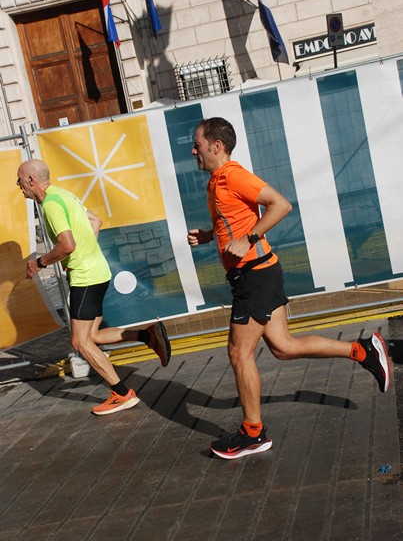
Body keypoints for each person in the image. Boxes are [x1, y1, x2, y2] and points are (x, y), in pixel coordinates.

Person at [187, 117, 390, 460]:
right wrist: (211, 236)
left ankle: (253, 432)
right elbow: (234, 219)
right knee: (283, 346)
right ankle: (363, 351)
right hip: (255, 274)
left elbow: (281, 205)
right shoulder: (216, 181)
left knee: (239, 353)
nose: (194, 150)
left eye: (198, 144)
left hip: (256, 276)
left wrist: (248, 238)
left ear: (216, 146)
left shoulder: (234, 174)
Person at [17, 159, 171, 416]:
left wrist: (40, 263)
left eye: (20, 181)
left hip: (85, 278)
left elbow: (67, 245)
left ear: (31, 180)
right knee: (93, 336)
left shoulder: (50, 205)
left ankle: (122, 393)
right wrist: (84, 254)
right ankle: (148, 335)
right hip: (98, 271)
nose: (19, 186)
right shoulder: (64, 195)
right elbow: (95, 221)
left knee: (79, 342)